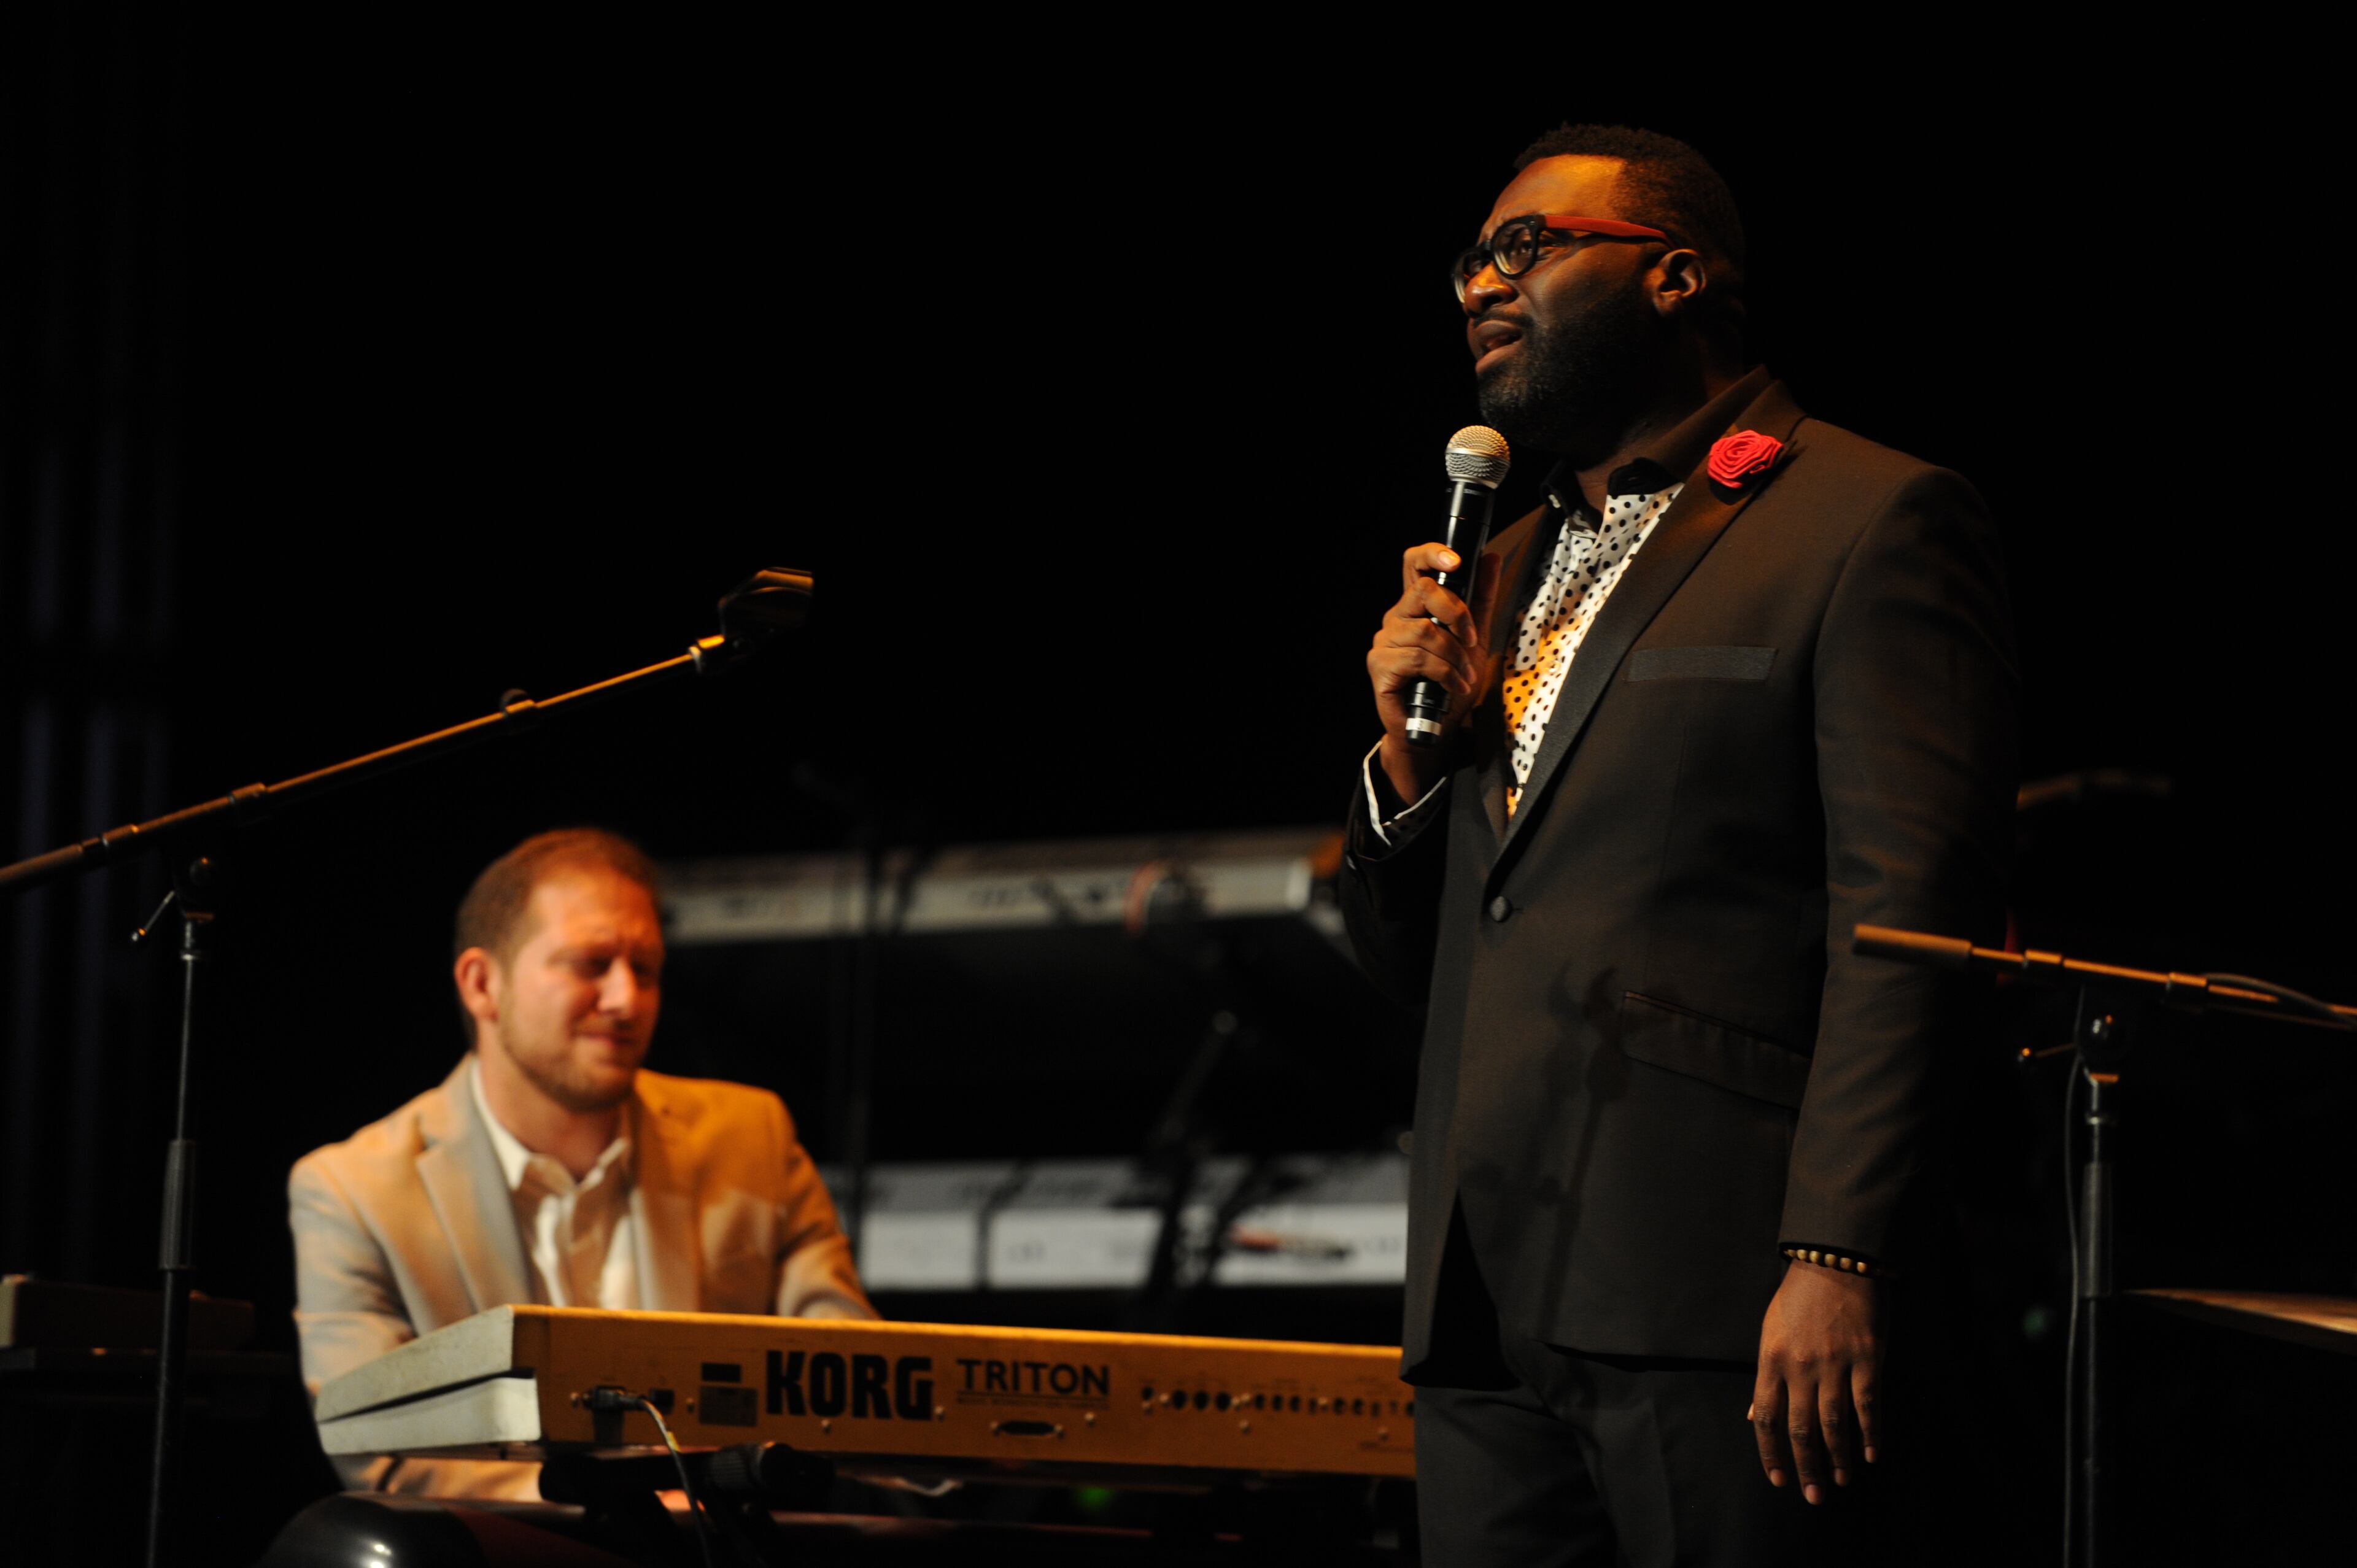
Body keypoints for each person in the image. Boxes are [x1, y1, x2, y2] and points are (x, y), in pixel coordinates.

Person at [1340, 125, 2016, 1564]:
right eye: (1468, 261)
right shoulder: (1501, 563)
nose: (1479, 286)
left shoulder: (1859, 519)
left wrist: (1836, 1252)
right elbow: (1439, 953)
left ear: (1675, 273)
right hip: (1483, 1297)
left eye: (1525, 246)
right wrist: (1407, 767)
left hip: (1721, 1297)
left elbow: (1904, 921)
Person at [288, 828, 871, 1497]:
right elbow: (380, 1453)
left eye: (645, 968)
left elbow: (855, 1386)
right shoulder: (353, 1188)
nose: (627, 998)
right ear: (483, 984)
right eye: (592, 963)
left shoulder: (752, 1135)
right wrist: (623, 1509)